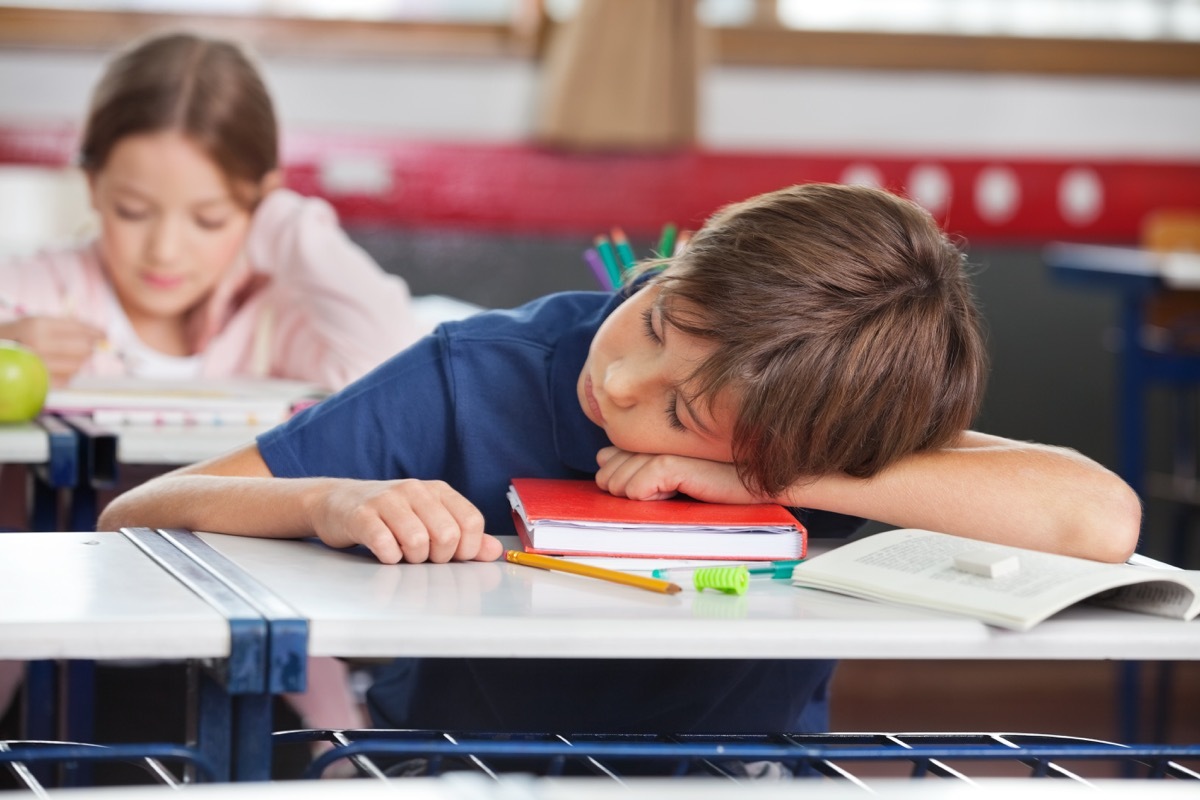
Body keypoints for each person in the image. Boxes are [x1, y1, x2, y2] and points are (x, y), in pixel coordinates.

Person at [99, 182, 1142, 740]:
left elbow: (1097, 518)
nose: (625, 378)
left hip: (743, 774)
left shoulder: (822, 412)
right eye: (657, 314)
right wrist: (331, 497)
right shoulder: (488, 369)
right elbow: (138, 511)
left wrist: (771, 476)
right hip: (463, 766)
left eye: (685, 408)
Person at [0, 31, 438, 752]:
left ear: (259, 204)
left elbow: (392, 368)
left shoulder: (277, 316)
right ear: (92, 186)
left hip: (247, 625)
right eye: (133, 211)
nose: (165, 250)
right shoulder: (48, 290)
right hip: (54, 636)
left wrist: (293, 226)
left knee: (330, 732)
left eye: (210, 219)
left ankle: (338, 764)